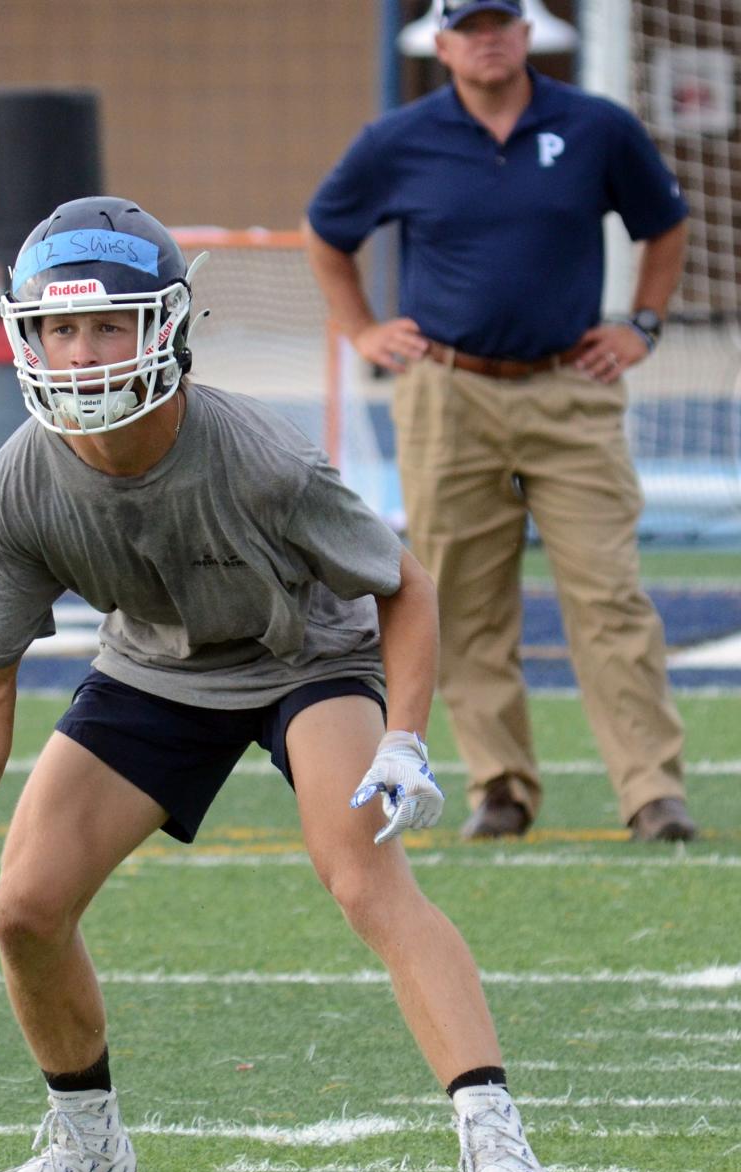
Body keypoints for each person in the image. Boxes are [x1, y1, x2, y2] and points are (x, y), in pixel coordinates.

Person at [0, 195, 571, 1172]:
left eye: (107, 324)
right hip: (157, 665)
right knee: (24, 907)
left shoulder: (257, 455)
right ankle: (87, 1150)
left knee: (362, 876)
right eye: (59, 328)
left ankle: (508, 1155)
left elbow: (405, 585)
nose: (80, 353)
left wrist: (403, 733)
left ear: (164, 327)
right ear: (25, 335)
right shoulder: (18, 485)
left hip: (307, 652)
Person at [304, 0, 697, 843]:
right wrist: (364, 328)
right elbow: (327, 234)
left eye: (500, 21)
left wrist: (643, 324)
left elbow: (665, 226)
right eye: (469, 24)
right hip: (448, 392)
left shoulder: (597, 127)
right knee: (462, 601)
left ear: (529, 32)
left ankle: (653, 792)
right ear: (440, 42)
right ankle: (502, 787)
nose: (487, 37)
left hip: (572, 390)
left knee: (609, 592)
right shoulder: (395, 140)